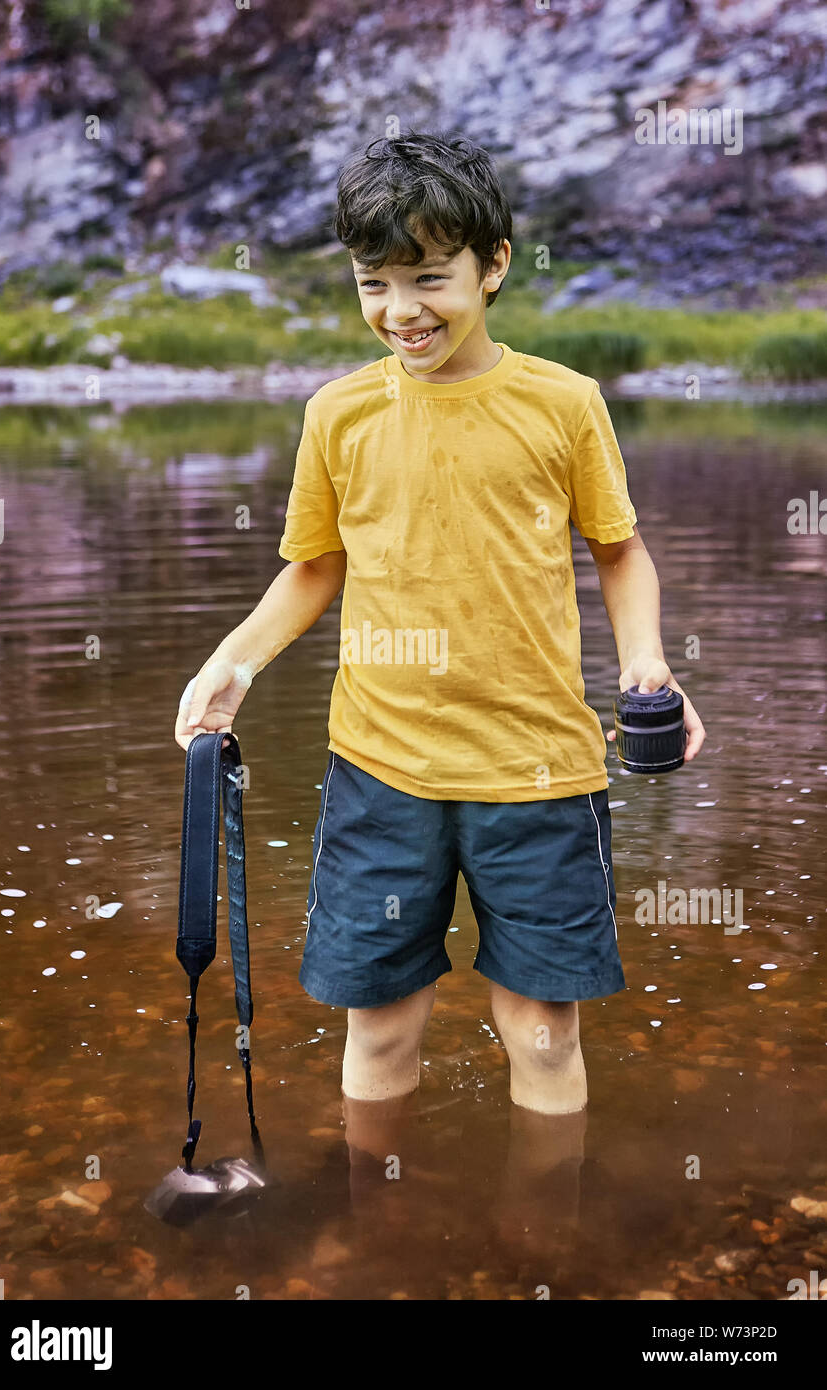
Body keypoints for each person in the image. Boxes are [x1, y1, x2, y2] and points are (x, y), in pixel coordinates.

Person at [175, 130, 705, 1124]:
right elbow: (314, 566)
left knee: (545, 1033)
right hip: (382, 772)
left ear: (493, 263)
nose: (399, 311)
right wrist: (231, 663)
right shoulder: (338, 414)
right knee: (376, 1028)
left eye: (427, 277)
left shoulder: (563, 403)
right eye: (372, 282)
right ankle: (379, 1249)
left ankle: (536, 1250)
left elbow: (617, 549)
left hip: (539, 771)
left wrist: (645, 664)